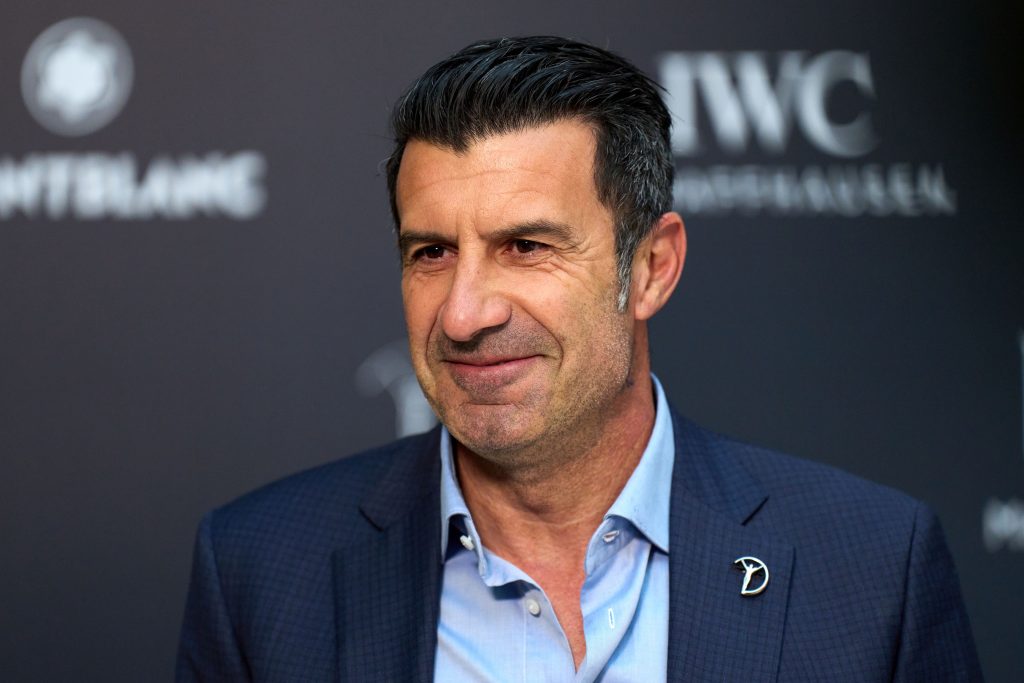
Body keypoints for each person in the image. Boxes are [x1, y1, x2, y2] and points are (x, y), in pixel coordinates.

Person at [176, 36, 982, 682]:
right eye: (431, 253)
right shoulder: (262, 569)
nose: (464, 313)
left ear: (651, 268)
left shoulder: (873, 569)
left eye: (526, 247)